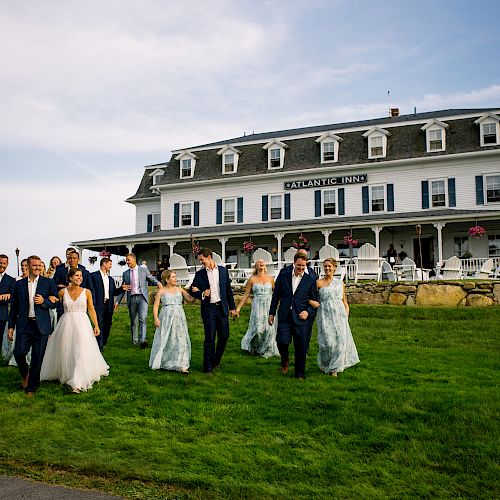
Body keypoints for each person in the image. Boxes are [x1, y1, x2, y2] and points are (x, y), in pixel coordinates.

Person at [41, 268, 109, 393]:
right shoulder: (62, 292)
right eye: (77, 276)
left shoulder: (87, 292)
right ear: (70, 278)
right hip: (66, 323)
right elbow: (55, 303)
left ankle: (77, 382)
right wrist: (50, 299)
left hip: (82, 324)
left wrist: (96, 325)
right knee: (67, 349)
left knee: (80, 350)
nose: (80, 278)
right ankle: (67, 373)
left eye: (81, 276)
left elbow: (91, 309)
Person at [7, 255, 58, 397]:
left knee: (37, 357)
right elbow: (14, 307)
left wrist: (44, 301)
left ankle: (31, 387)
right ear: (28, 266)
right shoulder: (19, 284)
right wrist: (11, 327)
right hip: (24, 325)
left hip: (41, 326)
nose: (37, 268)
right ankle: (25, 376)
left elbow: (56, 302)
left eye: (39, 265)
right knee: (18, 353)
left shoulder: (48, 283)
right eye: (34, 265)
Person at [268, 252, 318, 380]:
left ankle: (299, 374)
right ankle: (285, 360)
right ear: (294, 263)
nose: (301, 268)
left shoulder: (310, 279)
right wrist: (271, 313)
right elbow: (276, 295)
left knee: (300, 346)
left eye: (303, 266)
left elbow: (315, 301)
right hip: (285, 315)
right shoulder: (284, 275)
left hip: (301, 318)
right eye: (299, 265)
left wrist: (307, 312)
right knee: (282, 341)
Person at [189, 248, 236, 373]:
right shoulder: (200, 274)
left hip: (222, 308)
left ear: (209, 257)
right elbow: (192, 290)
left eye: (202, 260)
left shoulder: (223, 271)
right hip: (209, 309)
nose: (201, 262)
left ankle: (216, 360)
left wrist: (232, 308)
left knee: (224, 336)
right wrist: (202, 293)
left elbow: (228, 291)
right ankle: (207, 367)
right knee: (209, 338)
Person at [310, 258, 359, 377]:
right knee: (327, 342)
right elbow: (310, 297)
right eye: (325, 266)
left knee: (340, 341)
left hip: (339, 313)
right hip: (324, 314)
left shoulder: (339, 282)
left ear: (334, 267)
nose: (327, 268)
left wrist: (347, 309)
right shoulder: (318, 283)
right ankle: (325, 363)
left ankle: (335, 368)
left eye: (329, 266)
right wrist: (312, 302)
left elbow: (344, 300)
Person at [150, 270, 194, 373]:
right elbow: (156, 306)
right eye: (173, 277)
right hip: (166, 317)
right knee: (166, 338)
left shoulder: (180, 289)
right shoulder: (161, 291)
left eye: (175, 276)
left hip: (179, 317)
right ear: (167, 279)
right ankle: (165, 361)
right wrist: (156, 318)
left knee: (180, 338)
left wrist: (194, 291)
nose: (176, 279)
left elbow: (190, 299)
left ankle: (182, 364)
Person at [116, 253, 162, 348]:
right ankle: (134, 340)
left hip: (142, 298)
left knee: (142, 318)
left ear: (134, 259)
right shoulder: (125, 274)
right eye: (126, 260)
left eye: (128, 260)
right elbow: (123, 289)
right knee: (133, 321)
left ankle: (143, 340)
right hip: (132, 298)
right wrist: (117, 302)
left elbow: (151, 278)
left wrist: (158, 283)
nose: (127, 262)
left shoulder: (143, 270)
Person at [236, 259, 279, 358]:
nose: (260, 263)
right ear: (255, 266)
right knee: (258, 328)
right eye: (258, 263)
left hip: (269, 305)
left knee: (269, 328)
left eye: (262, 262)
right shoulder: (252, 279)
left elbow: (276, 294)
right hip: (257, 306)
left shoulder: (271, 279)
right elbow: (246, 295)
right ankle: (255, 347)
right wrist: (238, 308)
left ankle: (267, 347)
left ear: (265, 265)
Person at [90, 257, 121, 350]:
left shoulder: (111, 279)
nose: (111, 266)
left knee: (108, 324)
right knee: (99, 324)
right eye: (110, 264)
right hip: (98, 304)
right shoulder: (93, 276)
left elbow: (114, 292)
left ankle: (103, 343)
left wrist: (121, 289)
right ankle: (99, 346)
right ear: (104, 264)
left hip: (109, 305)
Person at [53, 250, 94, 319]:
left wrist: (92, 304)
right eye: (70, 258)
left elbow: (90, 288)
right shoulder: (60, 271)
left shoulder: (85, 272)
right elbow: (54, 285)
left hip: (80, 306)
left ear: (78, 259)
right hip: (64, 306)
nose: (72, 260)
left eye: (74, 258)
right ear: (67, 259)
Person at [0, 254, 15, 349]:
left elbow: (14, 297)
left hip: (1, 315)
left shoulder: (10, 280)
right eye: (0, 263)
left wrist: (10, 295)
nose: (2, 265)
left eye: (4, 263)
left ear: (7, 264)